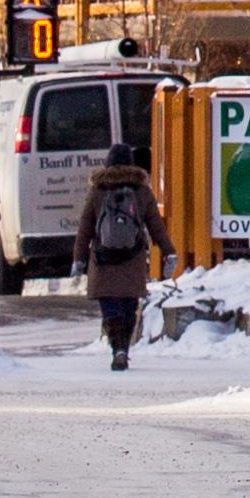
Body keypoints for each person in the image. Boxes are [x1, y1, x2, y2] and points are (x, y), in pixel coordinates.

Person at [78, 138, 171, 370]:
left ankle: (116, 347)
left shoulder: (98, 190)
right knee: (129, 305)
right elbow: (155, 224)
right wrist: (169, 251)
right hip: (133, 257)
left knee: (110, 305)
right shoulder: (141, 190)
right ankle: (124, 349)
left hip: (103, 258)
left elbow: (85, 227)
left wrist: (78, 258)